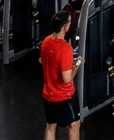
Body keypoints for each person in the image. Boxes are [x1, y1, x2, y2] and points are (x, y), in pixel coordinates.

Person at [40, 12, 83, 140]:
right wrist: (77, 65)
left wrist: (70, 61)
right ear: (65, 27)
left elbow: (52, 61)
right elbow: (67, 78)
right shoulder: (65, 49)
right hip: (62, 96)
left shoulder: (46, 41)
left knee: (50, 126)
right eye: (69, 21)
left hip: (48, 95)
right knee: (75, 124)